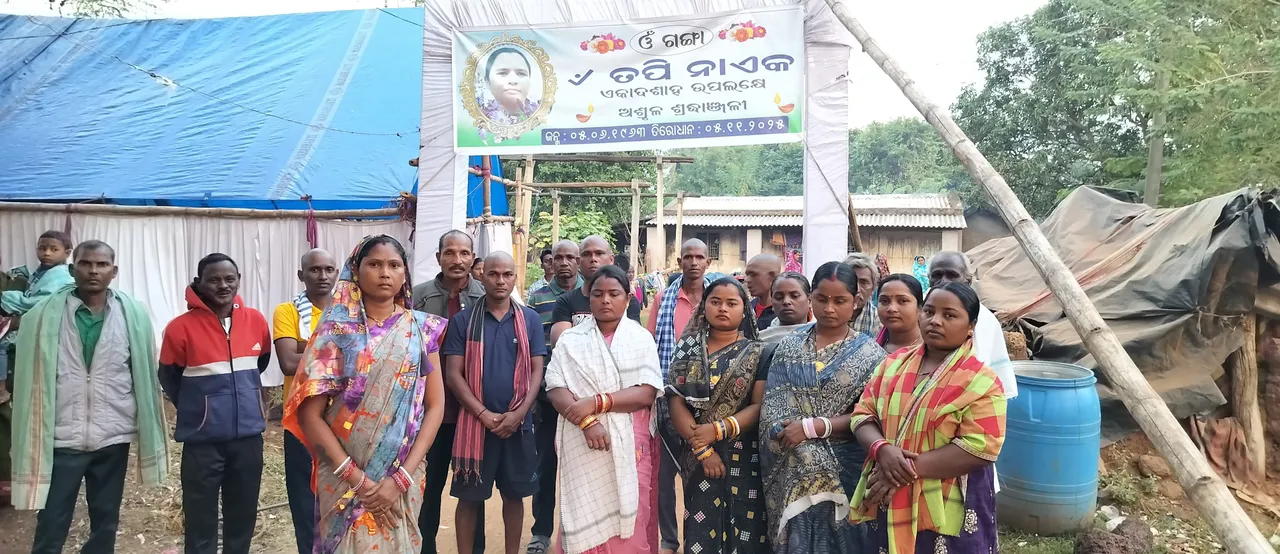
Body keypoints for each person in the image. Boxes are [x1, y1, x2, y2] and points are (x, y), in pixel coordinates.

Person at [283, 235, 448, 553]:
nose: (385, 273)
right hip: (344, 478)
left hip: (403, 475)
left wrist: (401, 478)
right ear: (356, 271)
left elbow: (436, 405)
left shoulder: (421, 330)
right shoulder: (336, 332)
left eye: (394, 265)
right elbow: (309, 414)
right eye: (374, 264)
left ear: (404, 274)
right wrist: (358, 479)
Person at [12, 240, 169, 553]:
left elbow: (142, 375)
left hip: (112, 437)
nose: (93, 271)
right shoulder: (42, 316)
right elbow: (29, 376)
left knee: (105, 521)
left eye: (102, 265)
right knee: (52, 521)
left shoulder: (132, 315)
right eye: (86, 264)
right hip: (62, 438)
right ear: (73, 269)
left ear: (114, 271)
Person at [849, 282, 1007, 554]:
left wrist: (900, 470)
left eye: (949, 315)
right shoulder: (893, 364)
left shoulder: (982, 382)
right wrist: (882, 450)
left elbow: (981, 446)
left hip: (948, 500)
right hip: (887, 489)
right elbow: (863, 413)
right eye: (930, 312)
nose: (935, 321)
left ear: (971, 326)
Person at [760, 261, 887, 553]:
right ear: (811, 298)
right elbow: (772, 408)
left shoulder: (872, 355)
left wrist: (812, 429)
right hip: (790, 461)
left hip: (846, 465)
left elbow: (871, 416)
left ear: (855, 302)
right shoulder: (790, 346)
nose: (829, 308)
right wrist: (791, 435)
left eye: (840, 301)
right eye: (821, 299)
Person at [544, 264, 663, 554]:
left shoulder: (641, 339)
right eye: (598, 294)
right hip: (581, 440)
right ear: (589, 298)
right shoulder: (571, 340)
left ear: (628, 298)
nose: (605, 300)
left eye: (614, 294)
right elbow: (555, 387)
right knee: (583, 509)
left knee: (631, 516)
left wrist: (597, 403)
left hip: (630, 443)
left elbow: (646, 392)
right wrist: (587, 421)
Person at [159, 253, 272, 554]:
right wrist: (201, 409)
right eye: (214, 280)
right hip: (202, 441)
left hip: (248, 438)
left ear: (238, 281)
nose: (223, 285)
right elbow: (169, 377)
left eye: (229, 279)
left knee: (242, 515)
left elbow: (260, 363)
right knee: (200, 519)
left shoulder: (256, 321)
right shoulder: (179, 328)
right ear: (199, 283)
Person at [445, 252, 546, 554]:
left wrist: (519, 413)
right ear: (481, 275)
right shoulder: (463, 321)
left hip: (518, 426)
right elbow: (453, 374)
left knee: (514, 496)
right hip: (474, 427)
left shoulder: (529, 319)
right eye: (493, 274)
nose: (500, 281)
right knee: (468, 499)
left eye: (507, 274)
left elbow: (537, 371)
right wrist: (483, 414)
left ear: (515, 277)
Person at [665, 278, 773, 554]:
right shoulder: (688, 348)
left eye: (731, 303)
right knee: (701, 528)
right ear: (704, 307)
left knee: (746, 527)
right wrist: (703, 449)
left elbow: (759, 406)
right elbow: (675, 399)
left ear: (744, 309)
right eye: (715, 302)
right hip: (697, 455)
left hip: (743, 455)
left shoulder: (759, 352)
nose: (723, 308)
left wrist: (717, 430)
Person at [413, 230, 488, 554]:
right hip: (429, 412)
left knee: (473, 491)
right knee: (427, 488)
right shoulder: (418, 297)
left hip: (472, 413)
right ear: (438, 257)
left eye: (464, 253)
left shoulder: (486, 295)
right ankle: (424, 546)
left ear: (472, 258)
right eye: (450, 253)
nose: (457, 260)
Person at [646, 238, 711, 554]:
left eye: (699, 257)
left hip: (709, 400)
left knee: (701, 471)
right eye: (688, 257)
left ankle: (697, 538)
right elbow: (650, 345)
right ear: (679, 261)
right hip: (668, 397)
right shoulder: (664, 299)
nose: (694, 262)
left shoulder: (718, 296)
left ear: (708, 262)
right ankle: (669, 540)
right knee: (665, 475)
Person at [272, 248, 338, 554]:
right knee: (305, 503)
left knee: (340, 499)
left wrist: (306, 349)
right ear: (301, 275)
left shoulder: (349, 311)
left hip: (341, 422)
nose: (322, 276)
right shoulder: (288, 312)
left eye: (328, 269)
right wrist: (339, 353)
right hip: (300, 422)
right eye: (314, 270)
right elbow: (288, 363)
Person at [525, 240, 582, 554]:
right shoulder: (538, 296)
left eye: (570, 257)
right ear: (551, 261)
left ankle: (578, 533)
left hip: (583, 398)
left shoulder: (590, 293)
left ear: (578, 261)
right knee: (545, 465)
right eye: (558, 257)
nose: (564, 263)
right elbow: (532, 347)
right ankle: (541, 532)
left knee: (581, 468)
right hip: (548, 397)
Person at [925, 252, 1016, 399]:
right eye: (937, 275)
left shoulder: (985, 320)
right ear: (929, 279)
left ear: (968, 280)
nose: (944, 281)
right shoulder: (916, 309)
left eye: (952, 275)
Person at [549, 236, 643, 345]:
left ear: (611, 259)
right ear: (578, 261)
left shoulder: (628, 301)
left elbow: (634, 342)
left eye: (599, 253)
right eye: (586, 254)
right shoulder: (565, 302)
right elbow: (562, 346)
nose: (593, 259)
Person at [483, 47, 538, 121]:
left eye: (521, 73)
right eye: (503, 73)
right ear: (487, 82)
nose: (513, 81)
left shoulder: (543, 118)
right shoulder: (477, 119)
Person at [758, 272, 814, 343]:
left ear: (809, 301)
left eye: (794, 296)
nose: (786, 301)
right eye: (779, 297)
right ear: (772, 303)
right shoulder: (759, 341)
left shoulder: (820, 337)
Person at [875, 274, 924, 353]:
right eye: (884, 301)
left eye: (903, 301)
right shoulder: (870, 348)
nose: (892, 308)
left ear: (920, 308)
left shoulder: (932, 350)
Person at [843, 252, 882, 338]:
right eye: (852, 281)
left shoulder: (880, 322)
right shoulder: (829, 315)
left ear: (873, 288)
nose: (857, 289)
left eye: (864, 282)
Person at [744, 254, 782, 330]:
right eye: (747, 275)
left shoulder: (783, 312)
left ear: (773, 276)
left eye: (753, 274)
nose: (747, 280)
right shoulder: (746, 309)